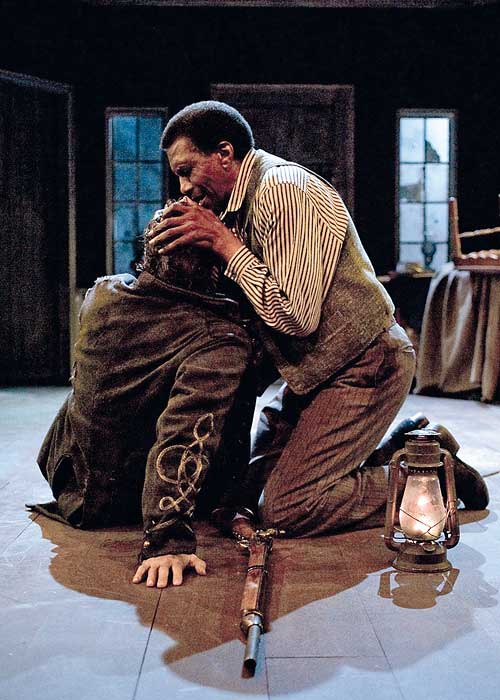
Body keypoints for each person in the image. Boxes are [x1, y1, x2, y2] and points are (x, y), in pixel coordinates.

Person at [148, 100, 488, 540]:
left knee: (288, 508)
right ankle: (409, 443)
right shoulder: (238, 207)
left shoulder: (282, 190)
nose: (184, 188)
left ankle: (434, 474)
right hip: (316, 372)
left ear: (225, 154)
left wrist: (225, 244)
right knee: (246, 491)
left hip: (366, 365)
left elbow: (296, 316)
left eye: (186, 170)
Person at [33, 212, 255, 587]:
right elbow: (184, 434)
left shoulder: (103, 294)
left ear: (149, 256)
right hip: (121, 504)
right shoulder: (219, 339)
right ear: (218, 270)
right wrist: (167, 539)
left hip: (70, 480)